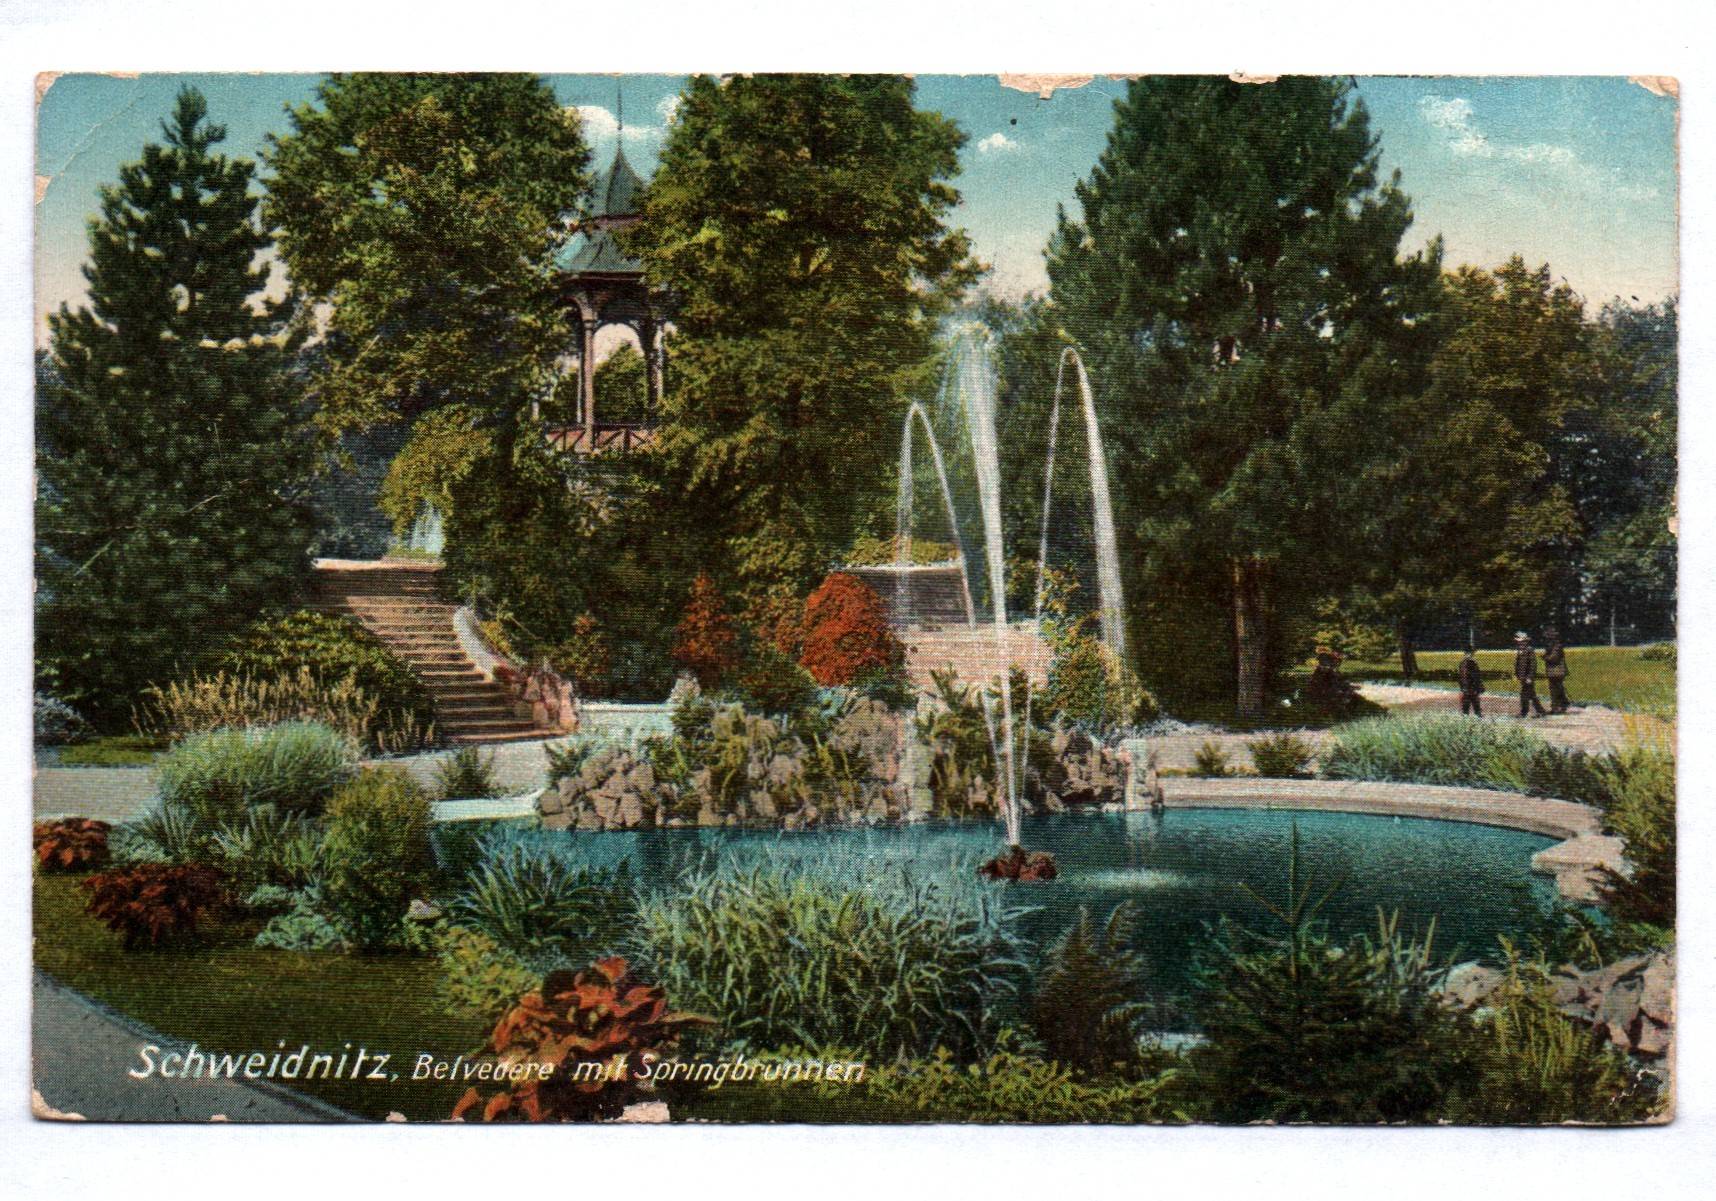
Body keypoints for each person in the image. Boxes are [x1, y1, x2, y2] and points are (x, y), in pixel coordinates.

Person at [1513, 631, 1547, 718]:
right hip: (1522, 677)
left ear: (1525, 641)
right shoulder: (1520, 651)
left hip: (1528, 678)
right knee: (1531, 695)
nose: (1519, 643)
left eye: (1521, 642)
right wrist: (1517, 675)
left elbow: (1533, 665)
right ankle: (1540, 711)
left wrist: (1530, 677)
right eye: (1518, 642)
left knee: (1526, 695)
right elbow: (1517, 664)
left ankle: (1525, 712)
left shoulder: (1529, 650)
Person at [1543, 627, 1572, 714]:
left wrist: (1545, 657)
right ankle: (1559, 706)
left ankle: (1560, 705)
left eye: (1548, 637)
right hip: (1553, 671)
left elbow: (1554, 658)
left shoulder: (1557, 646)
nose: (1547, 639)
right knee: (1555, 689)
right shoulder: (1551, 646)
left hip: (1558, 671)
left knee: (1557, 690)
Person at [1457, 647, 1484, 716]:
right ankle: (1479, 721)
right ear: (1471, 653)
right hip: (1472, 688)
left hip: (1465, 688)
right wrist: (1479, 687)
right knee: (1477, 708)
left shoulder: (1462, 662)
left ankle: (1464, 723)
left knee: (1465, 710)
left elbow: (1460, 677)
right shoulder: (1472, 662)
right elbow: (1475, 676)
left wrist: (1462, 687)